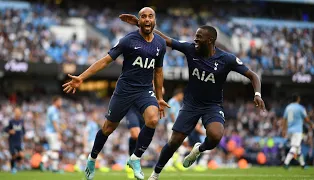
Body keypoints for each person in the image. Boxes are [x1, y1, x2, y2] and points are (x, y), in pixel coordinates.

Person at [119, 14, 265, 180]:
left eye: (199, 37)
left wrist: (257, 94)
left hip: (212, 105)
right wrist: (142, 24)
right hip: (191, 105)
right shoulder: (190, 49)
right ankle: (155, 174)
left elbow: (253, 75)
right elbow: (167, 40)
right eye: (195, 36)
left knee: (216, 136)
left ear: (210, 40)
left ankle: (198, 149)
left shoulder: (227, 59)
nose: (195, 40)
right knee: (174, 141)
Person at [62, 7, 169, 180]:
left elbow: (158, 72)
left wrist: (160, 97)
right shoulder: (128, 40)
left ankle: (135, 158)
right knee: (108, 128)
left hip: (144, 90)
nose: (147, 19)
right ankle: (92, 159)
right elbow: (105, 61)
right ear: (139, 20)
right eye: (143, 17)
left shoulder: (160, 44)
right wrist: (81, 78)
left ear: (155, 19)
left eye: (150, 16)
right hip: (125, 90)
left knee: (153, 119)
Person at [282, 93, 314, 169]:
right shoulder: (300, 108)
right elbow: (306, 119)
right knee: (295, 146)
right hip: (297, 130)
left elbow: (284, 119)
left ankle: (303, 165)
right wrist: (311, 124)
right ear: (298, 99)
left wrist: (284, 130)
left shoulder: (288, 107)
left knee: (298, 148)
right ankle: (286, 163)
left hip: (290, 130)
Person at [40, 96, 63, 173]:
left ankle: (43, 161)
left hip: (48, 132)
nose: (61, 103)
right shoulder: (54, 110)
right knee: (55, 150)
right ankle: (54, 168)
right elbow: (54, 122)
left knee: (52, 150)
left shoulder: (50, 109)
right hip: (52, 132)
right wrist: (58, 133)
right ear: (55, 101)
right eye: (60, 101)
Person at [5, 107, 25, 174]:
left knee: (21, 155)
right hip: (12, 141)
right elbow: (5, 129)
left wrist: (24, 135)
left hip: (18, 141)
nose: (18, 113)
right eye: (16, 112)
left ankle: (14, 164)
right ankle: (12, 168)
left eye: (19, 112)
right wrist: (10, 131)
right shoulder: (11, 121)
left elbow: (23, 130)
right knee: (13, 155)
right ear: (14, 113)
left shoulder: (21, 121)